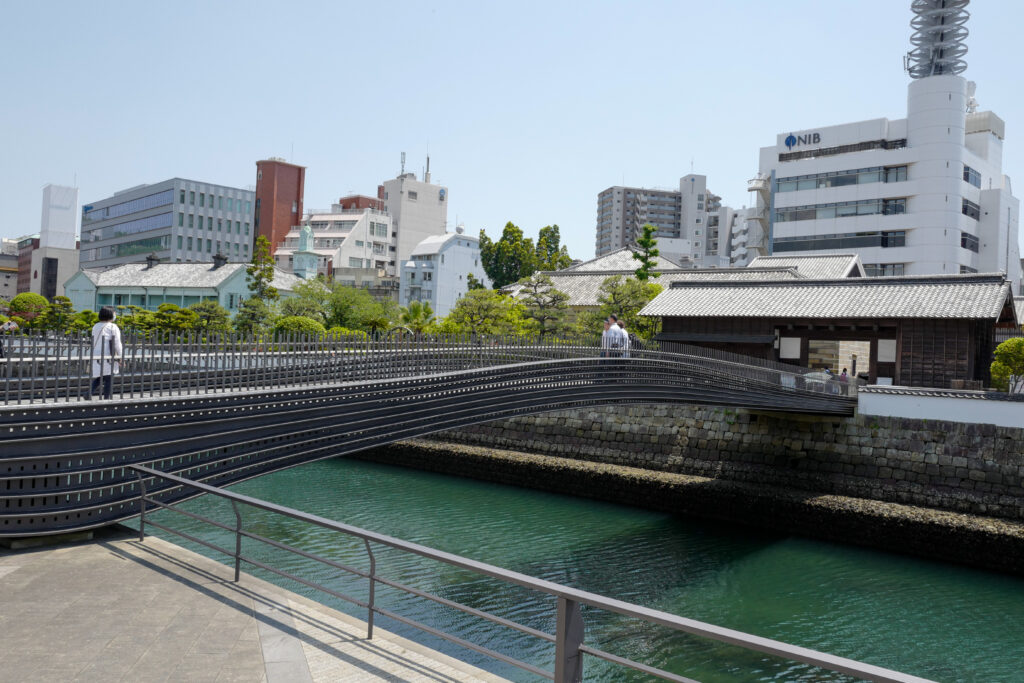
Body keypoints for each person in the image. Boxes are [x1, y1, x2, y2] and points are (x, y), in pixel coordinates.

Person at [90, 306, 123, 400]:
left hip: (96, 353)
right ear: (111, 315)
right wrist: (121, 357)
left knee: (101, 375)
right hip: (108, 354)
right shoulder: (113, 327)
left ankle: (90, 392)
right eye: (114, 313)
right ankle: (106, 398)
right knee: (109, 377)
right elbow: (117, 343)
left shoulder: (95, 326)